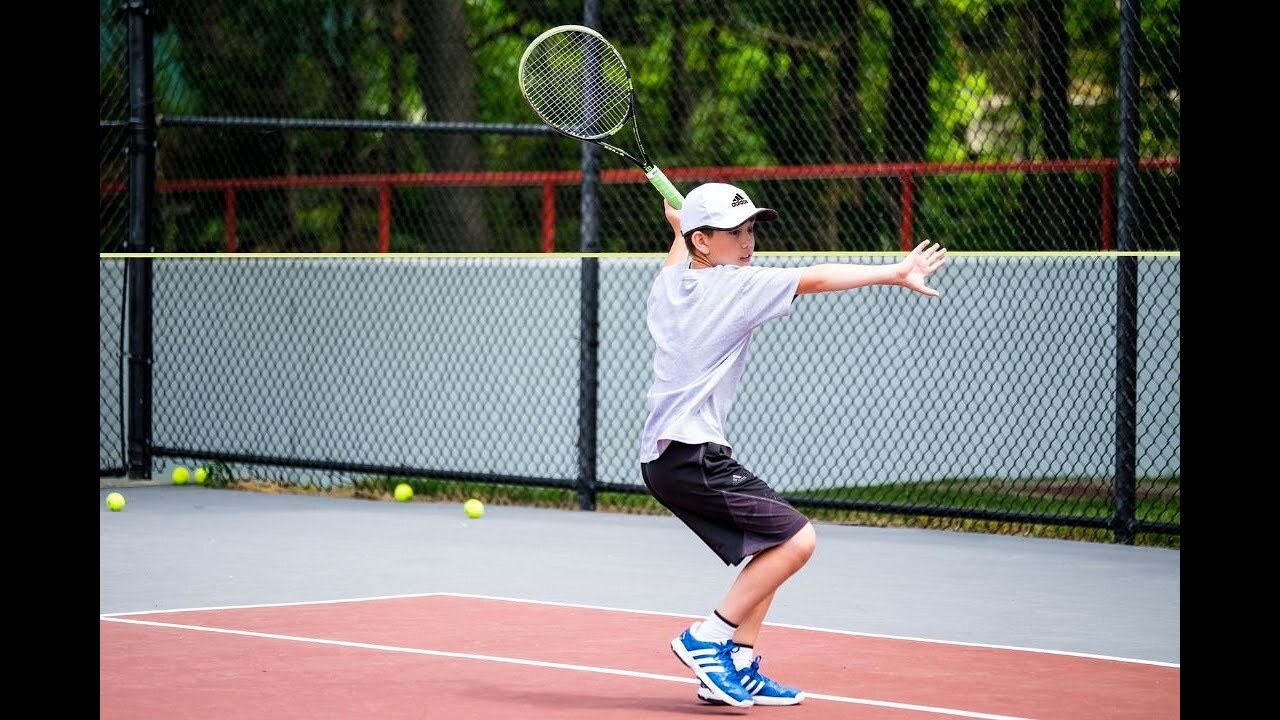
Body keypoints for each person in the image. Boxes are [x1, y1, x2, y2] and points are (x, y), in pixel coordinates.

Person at [639, 182, 947, 707]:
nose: (747, 241)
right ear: (704, 242)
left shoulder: (670, 286)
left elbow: (679, 258)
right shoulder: (733, 287)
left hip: (672, 456)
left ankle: (737, 660)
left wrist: (679, 230)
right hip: (692, 454)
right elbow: (818, 276)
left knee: (771, 542)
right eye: (734, 232)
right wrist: (893, 272)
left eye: (751, 228)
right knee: (797, 540)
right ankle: (708, 637)